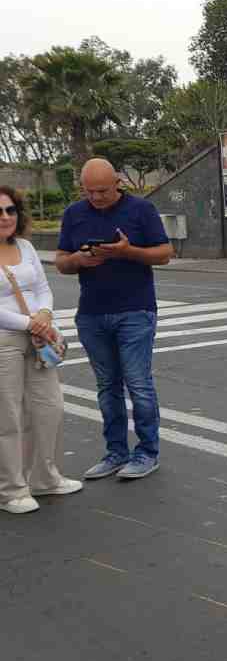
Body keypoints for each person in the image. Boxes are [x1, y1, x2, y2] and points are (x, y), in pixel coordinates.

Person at [55, 159, 173, 481]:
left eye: (103, 191)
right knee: (107, 387)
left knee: (138, 384)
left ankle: (147, 452)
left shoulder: (141, 210)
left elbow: (164, 253)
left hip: (135, 310)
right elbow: (61, 262)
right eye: (89, 191)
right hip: (92, 313)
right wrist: (78, 259)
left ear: (117, 183)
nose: (96, 197)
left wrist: (126, 251)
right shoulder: (74, 215)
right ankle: (116, 452)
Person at [0, 186, 79, 514]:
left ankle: (45, 477)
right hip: (5, 340)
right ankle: (11, 490)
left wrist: (45, 314)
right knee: (9, 416)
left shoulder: (27, 246)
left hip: (38, 336)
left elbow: (43, 288)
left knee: (50, 408)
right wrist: (29, 323)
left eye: (10, 210)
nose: (4, 217)